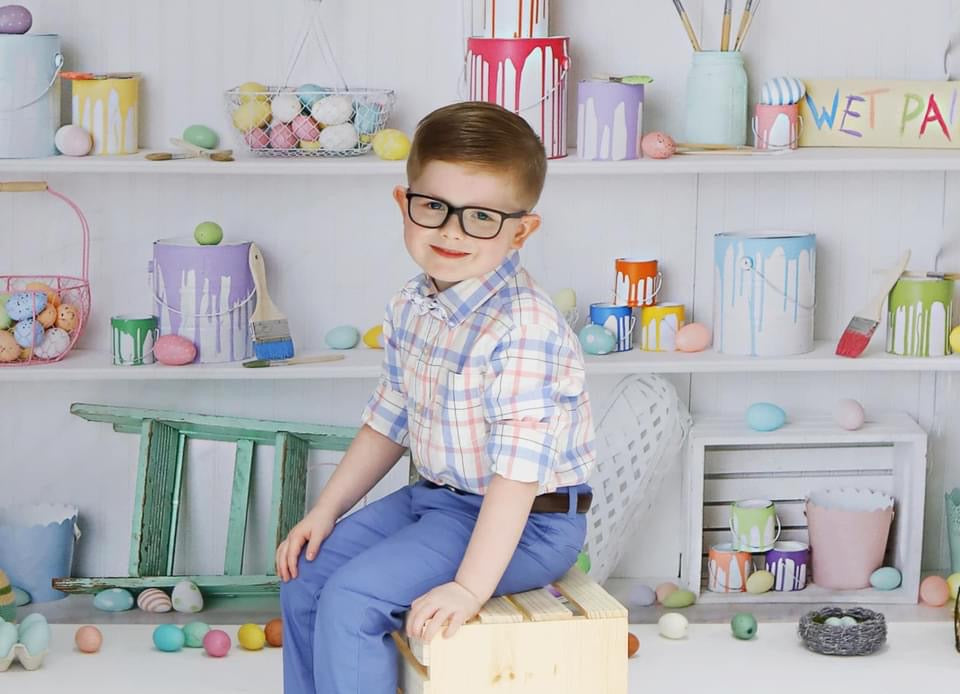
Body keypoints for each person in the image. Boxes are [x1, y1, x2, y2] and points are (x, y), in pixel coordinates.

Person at [277, 101, 596, 694]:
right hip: (440, 504)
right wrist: (325, 512)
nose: (451, 231)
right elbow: (388, 419)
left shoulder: (524, 330)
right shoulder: (412, 304)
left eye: (481, 217)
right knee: (305, 574)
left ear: (521, 230)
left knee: (353, 600)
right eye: (434, 207)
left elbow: (517, 479)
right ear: (404, 203)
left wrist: (469, 588)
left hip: (529, 524)